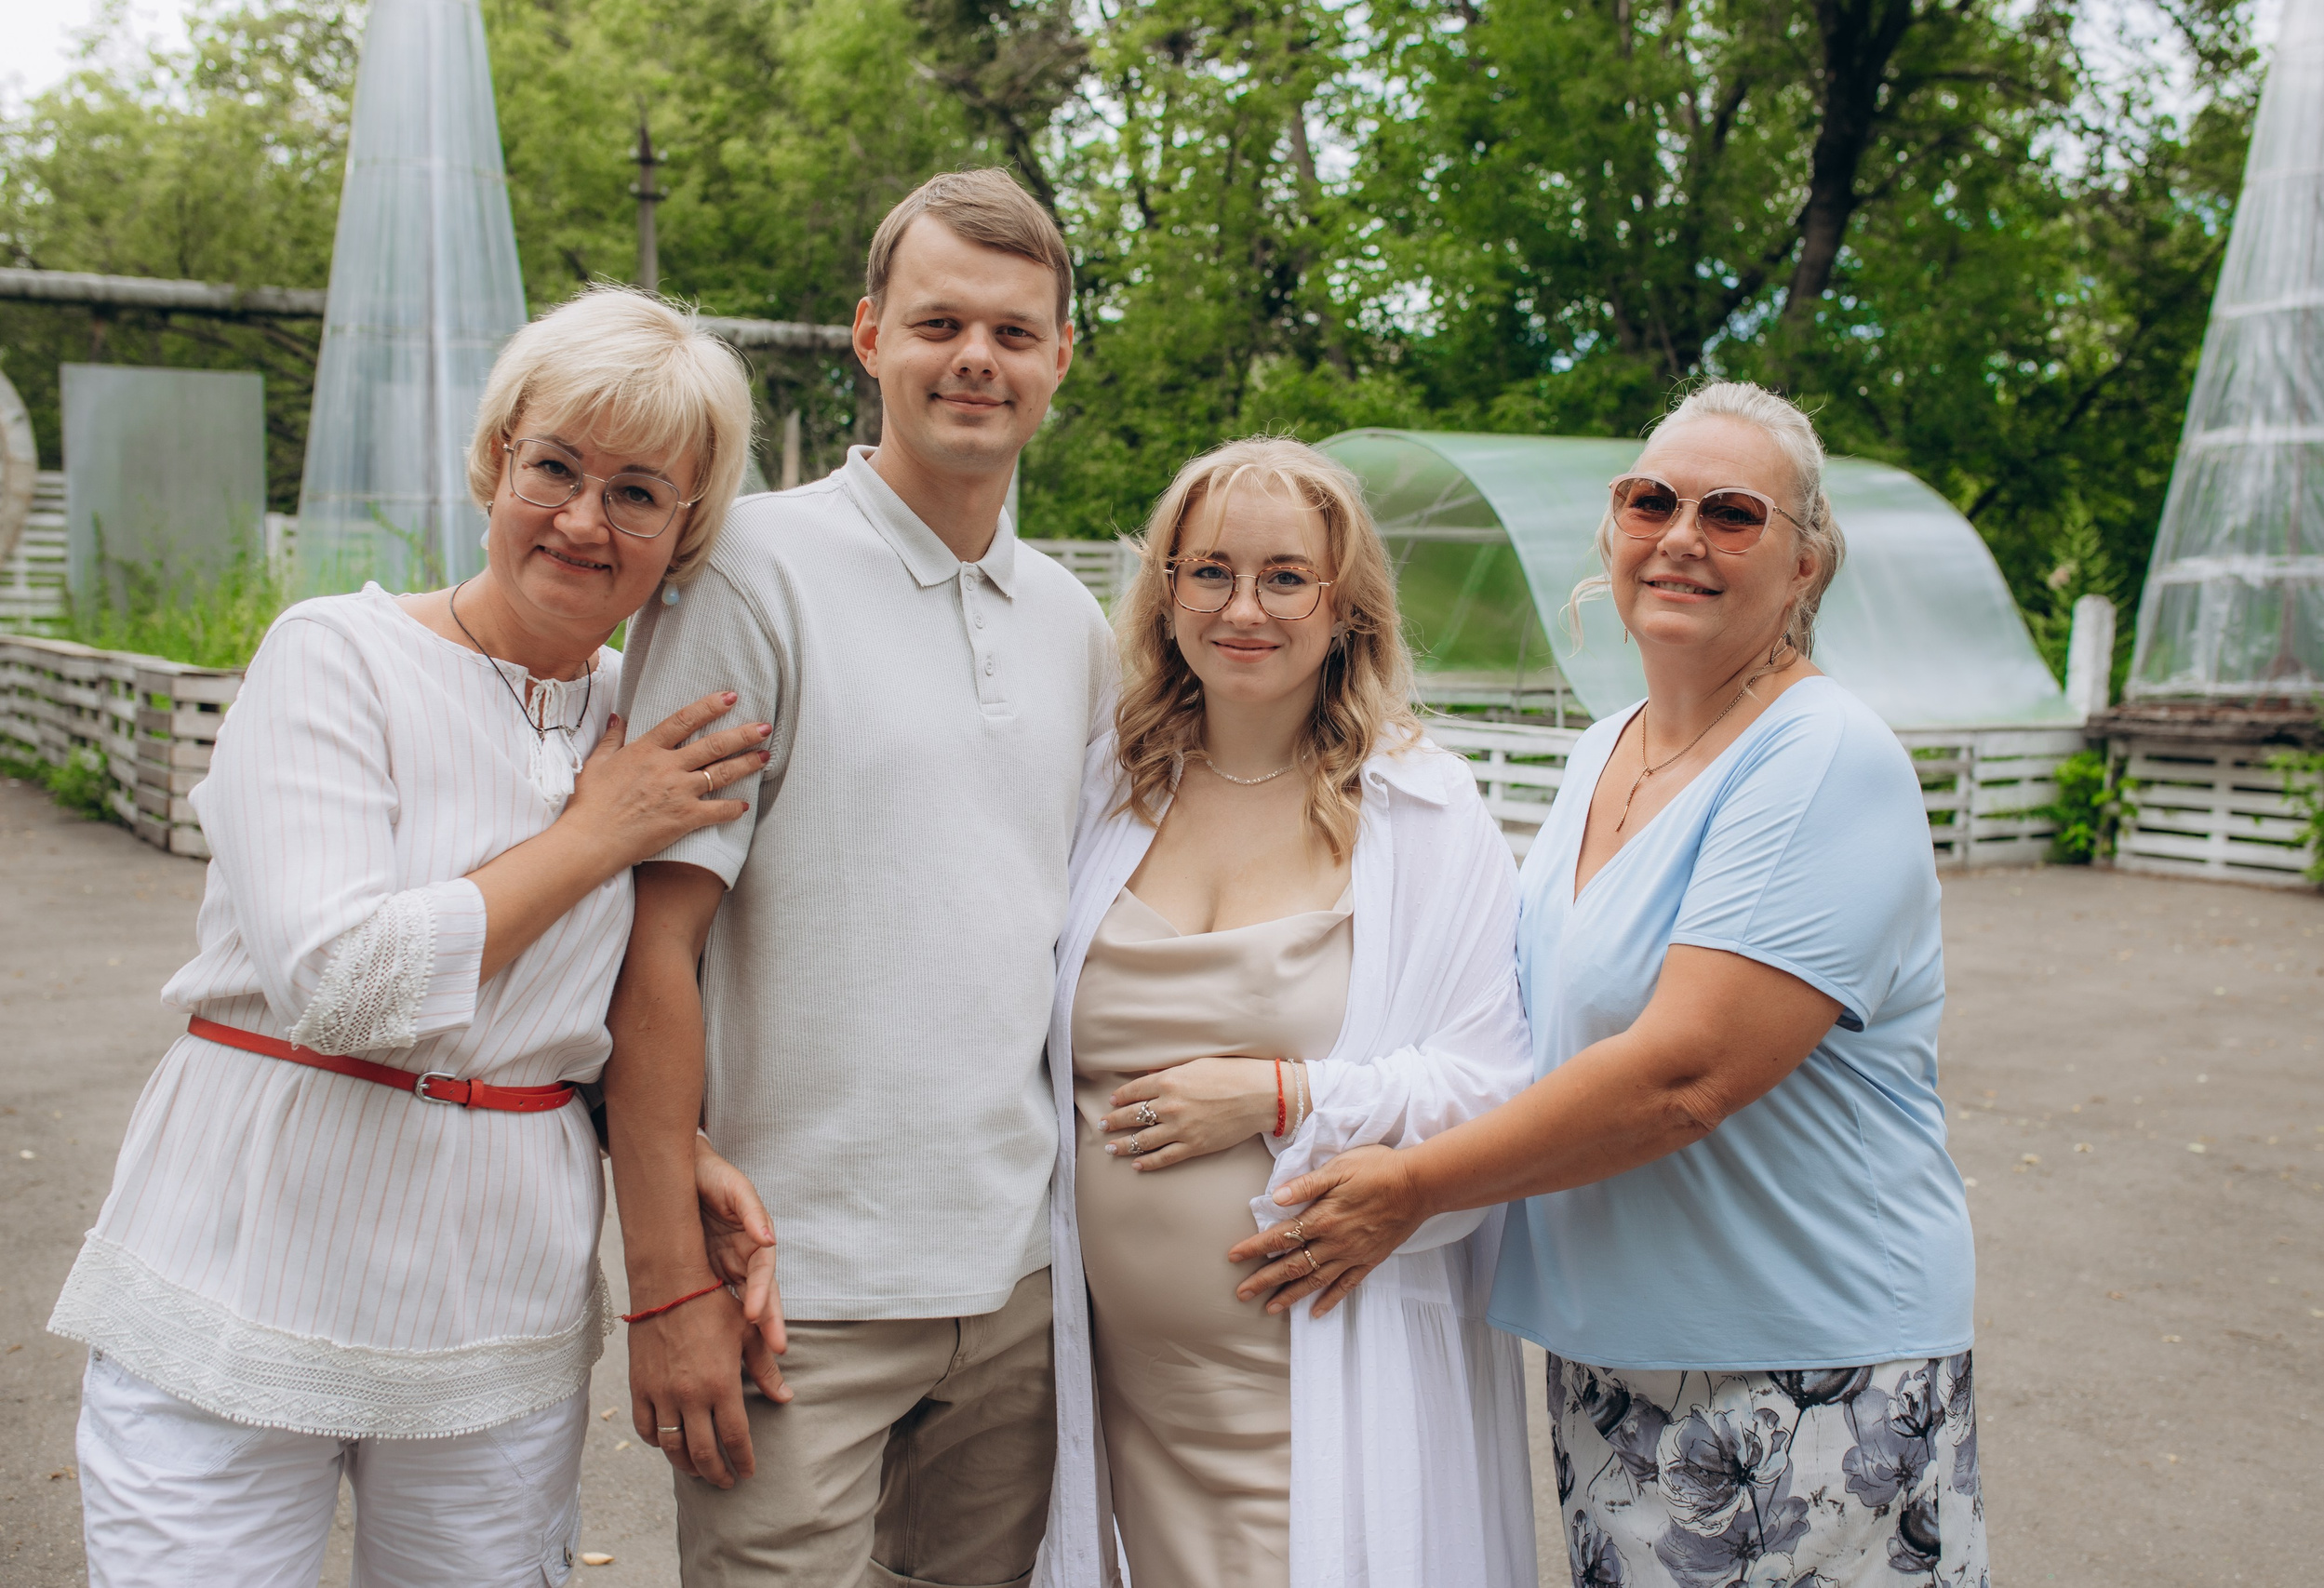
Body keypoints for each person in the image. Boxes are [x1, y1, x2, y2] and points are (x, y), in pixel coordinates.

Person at [49, 287, 792, 1587]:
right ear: (495, 458)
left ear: (687, 527)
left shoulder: (653, 719)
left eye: (635, 490)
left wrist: (671, 1144)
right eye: (552, 464)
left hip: (490, 1305)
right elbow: (347, 982)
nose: (580, 517)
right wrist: (592, 830)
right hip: (242, 1274)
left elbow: (597, 1005)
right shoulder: (333, 654)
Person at [1233, 382, 1986, 1587]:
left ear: (1804, 563)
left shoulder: (1821, 756)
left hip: (1802, 1366)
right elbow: (1520, 1016)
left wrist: (1410, 1186)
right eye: (1652, 500)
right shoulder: (1608, 746)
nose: (1681, 535)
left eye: (1733, 513)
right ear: (1611, 531)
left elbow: (1681, 1075)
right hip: (1617, 1355)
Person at [602, 167, 1113, 1588]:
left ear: (1060, 357)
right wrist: (666, 1282)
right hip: (793, 1289)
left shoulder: (1074, 620)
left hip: (1016, 1280)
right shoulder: (754, 568)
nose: (977, 359)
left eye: (1015, 333)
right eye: (940, 321)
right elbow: (649, 950)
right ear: (868, 336)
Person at [1035, 437, 1537, 1588]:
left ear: (1344, 604)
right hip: (1120, 1390)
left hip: (1316, 1372)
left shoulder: (1421, 809)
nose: (1242, 608)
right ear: (1166, 596)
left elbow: (1492, 1084)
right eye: (1208, 571)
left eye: (1283, 577)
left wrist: (1284, 1093)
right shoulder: (1105, 788)